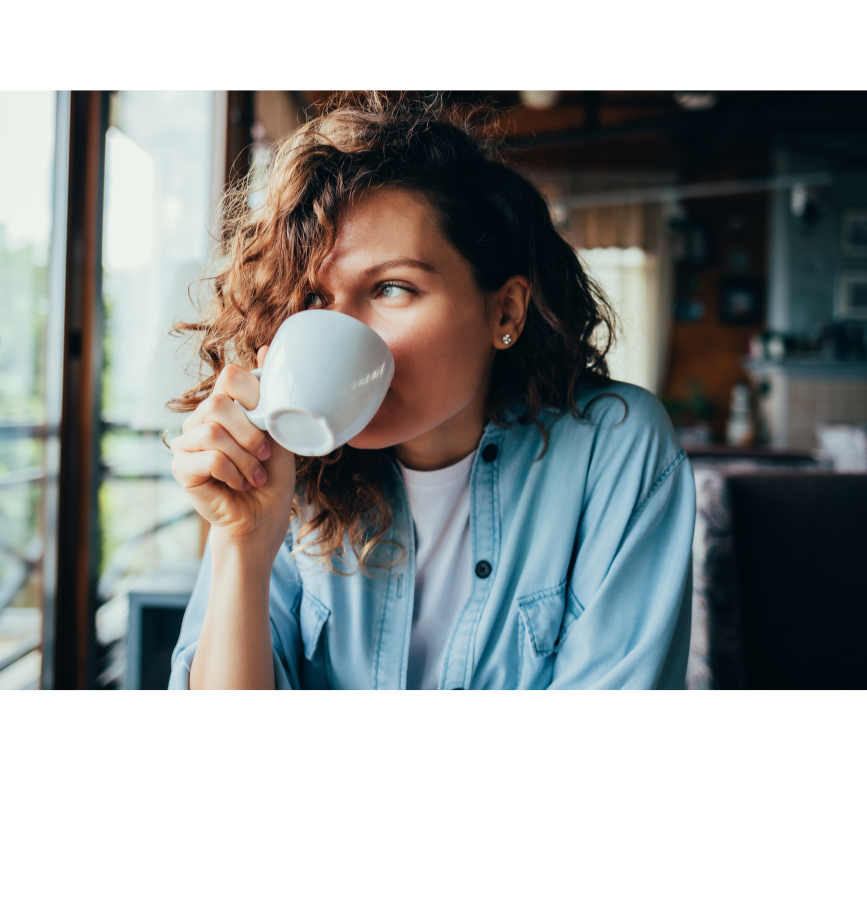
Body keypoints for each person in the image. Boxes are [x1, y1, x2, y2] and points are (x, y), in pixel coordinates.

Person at [167, 93, 695, 691]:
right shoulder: (285, 471)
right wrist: (242, 546)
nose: (339, 330)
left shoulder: (613, 448)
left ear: (506, 310)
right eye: (315, 299)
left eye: (392, 287)